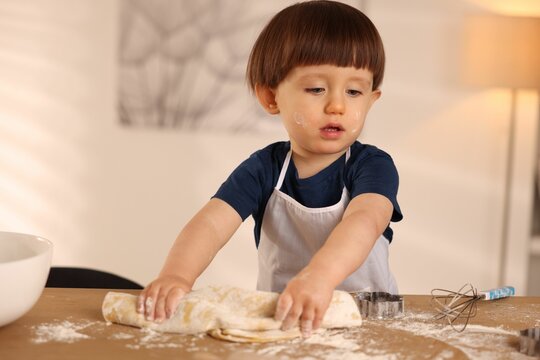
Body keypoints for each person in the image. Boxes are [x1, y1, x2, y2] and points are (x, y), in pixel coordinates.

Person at [138, 0, 403, 338]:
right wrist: (177, 276)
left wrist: (318, 277)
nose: (337, 105)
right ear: (271, 97)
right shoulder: (264, 169)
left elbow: (364, 222)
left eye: (354, 91)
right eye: (316, 89)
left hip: (370, 322)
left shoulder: (373, 167)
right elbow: (212, 223)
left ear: (371, 100)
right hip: (285, 320)